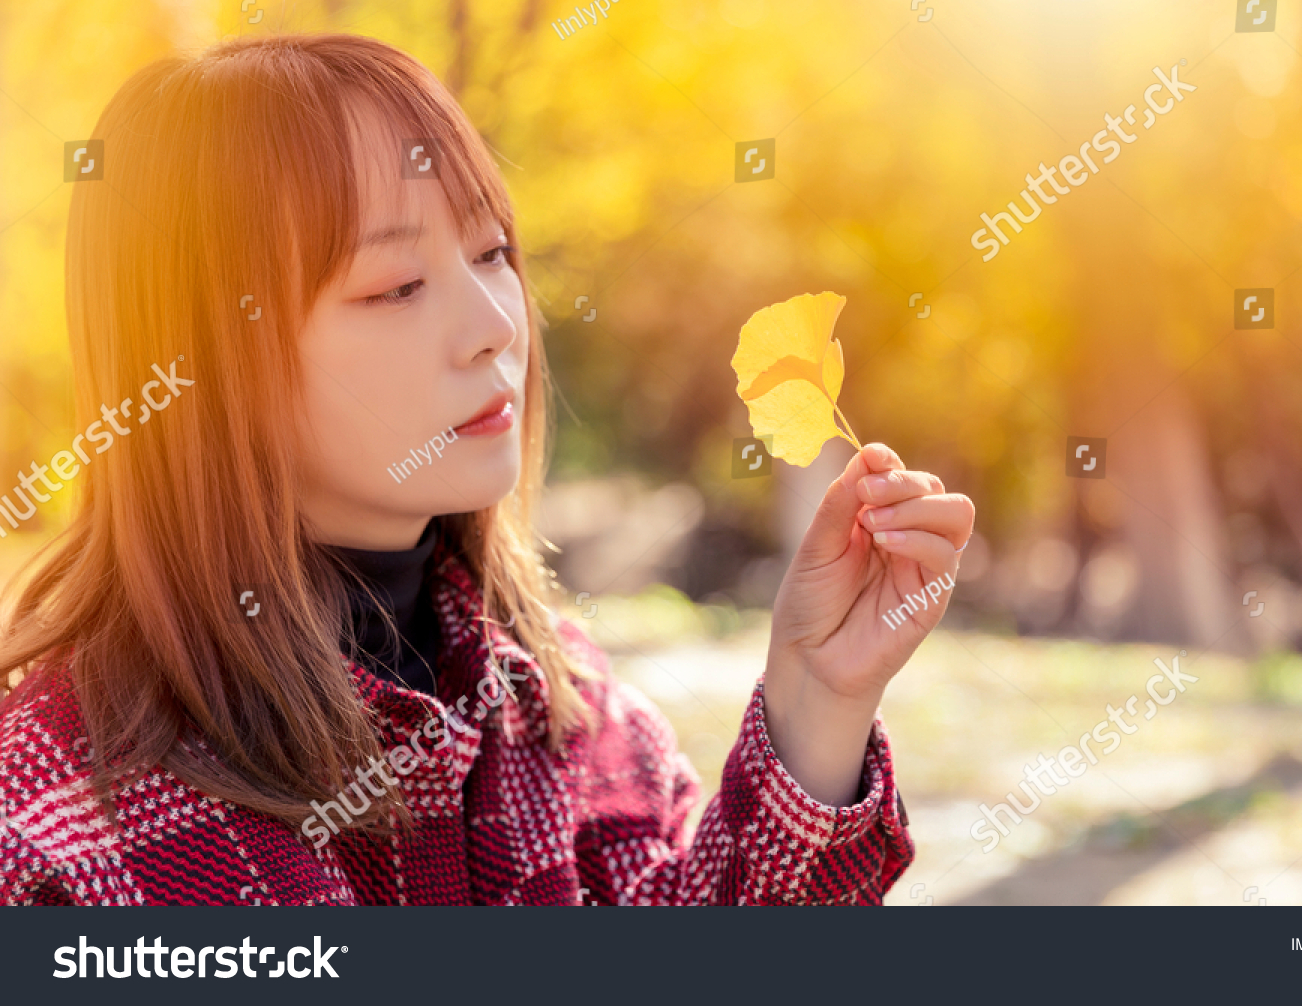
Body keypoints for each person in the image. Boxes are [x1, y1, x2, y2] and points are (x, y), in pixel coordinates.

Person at [0, 33, 973, 906]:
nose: (496, 324)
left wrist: (817, 696)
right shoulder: (54, 828)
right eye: (396, 286)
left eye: (492, 250)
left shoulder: (558, 704)